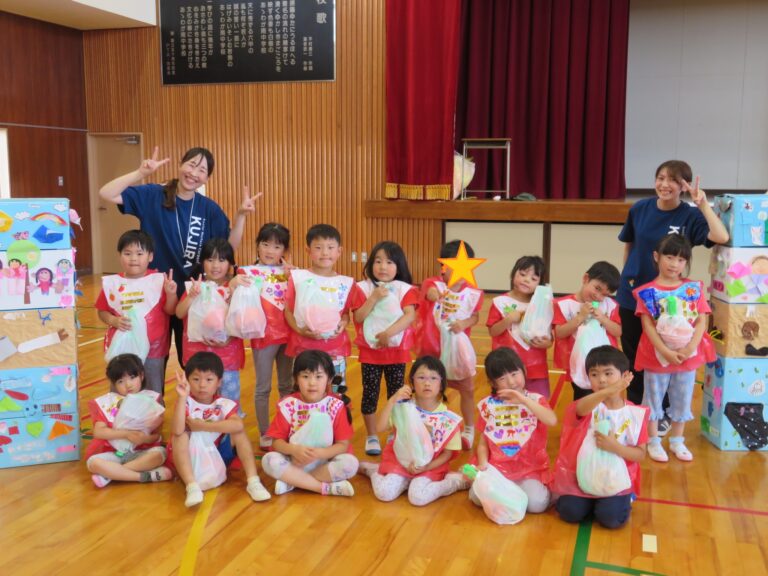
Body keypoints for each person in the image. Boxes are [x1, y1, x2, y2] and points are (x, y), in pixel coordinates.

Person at [98, 146, 260, 364]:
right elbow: (106, 193)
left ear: (207, 178)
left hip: (192, 295)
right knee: (149, 361)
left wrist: (240, 215)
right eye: (191, 165)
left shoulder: (209, 209)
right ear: (180, 165)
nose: (194, 173)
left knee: (191, 362)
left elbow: (228, 247)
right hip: (154, 294)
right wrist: (140, 174)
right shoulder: (153, 195)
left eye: (201, 170)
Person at [617, 160, 728, 418]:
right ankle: (638, 411)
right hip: (634, 296)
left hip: (670, 303)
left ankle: (662, 412)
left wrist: (702, 203)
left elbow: (720, 237)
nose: (665, 185)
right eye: (661, 178)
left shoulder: (690, 215)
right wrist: (627, 277)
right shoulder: (640, 208)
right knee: (634, 356)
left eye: (674, 181)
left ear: (683, 186)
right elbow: (629, 244)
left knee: (664, 357)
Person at [633, 234, 714, 462]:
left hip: (687, 355)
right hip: (656, 355)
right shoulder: (646, 291)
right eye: (669, 257)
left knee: (683, 397)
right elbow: (647, 326)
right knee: (653, 397)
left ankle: (677, 441)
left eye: (680, 259)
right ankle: (653, 441)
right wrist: (665, 351)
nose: (674, 264)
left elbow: (701, 320)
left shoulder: (693, 288)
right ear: (657, 257)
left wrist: (690, 348)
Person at [552, 346, 648, 529]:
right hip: (583, 475)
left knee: (611, 519)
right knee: (568, 512)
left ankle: (611, 501)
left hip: (615, 479)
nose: (601, 379)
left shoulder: (635, 414)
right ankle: (592, 500)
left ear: (624, 375)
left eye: (608, 373)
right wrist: (608, 391)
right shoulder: (587, 406)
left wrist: (615, 447)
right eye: (594, 374)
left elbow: (640, 454)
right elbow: (580, 409)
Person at [359, 356, 469, 506]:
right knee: (384, 493)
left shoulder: (448, 419)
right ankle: (374, 471)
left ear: (442, 384)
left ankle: (453, 483)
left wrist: (425, 467)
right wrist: (392, 401)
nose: (427, 383)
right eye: (421, 377)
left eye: (433, 378)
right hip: (400, 461)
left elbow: (448, 454)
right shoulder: (404, 408)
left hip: (431, 466)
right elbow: (380, 428)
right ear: (412, 382)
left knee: (418, 498)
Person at [170, 352, 271, 507]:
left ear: (219, 382)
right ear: (188, 381)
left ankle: (253, 481)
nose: (202, 385)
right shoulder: (187, 402)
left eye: (209, 379)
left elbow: (238, 425)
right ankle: (192, 486)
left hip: (216, 454)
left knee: (239, 432)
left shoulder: (223, 403)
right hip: (191, 458)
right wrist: (182, 398)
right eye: (196, 379)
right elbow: (177, 431)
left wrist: (203, 426)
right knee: (181, 436)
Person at [350, 241, 419, 455]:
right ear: (370, 264)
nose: (382, 266)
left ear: (399, 266)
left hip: (396, 353)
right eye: (378, 261)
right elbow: (359, 316)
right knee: (370, 394)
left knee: (397, 393)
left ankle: (394, 432)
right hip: (370, 354)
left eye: (389, 262)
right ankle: (371, 435)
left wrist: (389, 333)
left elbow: (410, 315)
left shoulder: (404, 289)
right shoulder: (363, 288)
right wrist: (373, 297)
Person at [469, 347, 556, 515]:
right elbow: (482, 443)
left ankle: (533, 493)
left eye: (514, 374)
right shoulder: (488, 405)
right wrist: (483, 464)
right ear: (493, 383)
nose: (511, 382)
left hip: (529, 470)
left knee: (536, 505)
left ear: (523, 371)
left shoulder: (536, 400)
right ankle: (511, 493)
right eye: (502, 378)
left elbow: (551, 420)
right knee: (476, 497)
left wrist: (523, 400)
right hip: (498, 469)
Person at [261, 350, 359, 497]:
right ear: (296, 378)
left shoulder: (335, 406)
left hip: (324, 462)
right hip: (294, 460)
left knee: (351, 464)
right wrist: (294, 450)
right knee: (268, 460)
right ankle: (324, 488)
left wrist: (320, 453)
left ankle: (293, 481)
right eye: (305, 376)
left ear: (329, 379)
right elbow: (277, 443)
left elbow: (342, 445)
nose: (312, 383)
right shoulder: (288, 405)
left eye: (319, 377)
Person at [417, 240, 484, 449]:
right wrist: (438, 295)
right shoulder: (433, 284)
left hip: (457, 353)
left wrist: (464, 323)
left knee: (467, 390)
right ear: (443, 266)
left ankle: (470, 429)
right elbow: (430, 294)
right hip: (432, 350)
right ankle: (428, 425)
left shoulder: (471, 292)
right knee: (429, 390)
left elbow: (475, 316)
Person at [96, 230, 178, 396]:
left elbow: (171, 310)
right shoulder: (113, 283)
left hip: (153, 350)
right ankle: (119, 420)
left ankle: (154, 421)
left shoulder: (159, 281)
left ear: (150, 256)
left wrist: (171, 294)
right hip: (121, 350)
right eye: (127, 253)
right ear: (120, 255)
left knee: (152, 391)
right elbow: (102, 311)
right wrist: (113, 320)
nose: (133, 258)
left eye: (139, 253)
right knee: (119, 393)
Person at [238, 222, 294, 450]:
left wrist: (294, 278)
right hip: (263, 337)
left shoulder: (292, 273)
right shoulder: (246, 273)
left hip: (288, 335)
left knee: (287, 385)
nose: (270, 250)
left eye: (277, 246)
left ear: (284, 251)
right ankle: (264, 432)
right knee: (262, 387)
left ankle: (287, 428)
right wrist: (234, 282)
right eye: (265, 244)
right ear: (257, 246)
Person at [284, 224, 359, 392]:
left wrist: (343, 324)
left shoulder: (345, 283)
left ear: (339, 251)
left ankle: (336, 417)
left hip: (335, 348)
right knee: (304, 391)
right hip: (304, 347)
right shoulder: (298, 278)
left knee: (336, 390)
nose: (325, 253)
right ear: (308, 250)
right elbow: (288, 310)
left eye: (330, 248)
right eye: (318, 247)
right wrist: (300, 330)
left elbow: (345, 313)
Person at [175, 238, 244, 411]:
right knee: (197, 402)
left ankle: (228, 437)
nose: (215, 265)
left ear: (230, 263)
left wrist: (229, 339)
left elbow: (244, 321)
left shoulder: (235, 287)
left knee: (229, 403)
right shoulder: (196, 286)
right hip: (198, 356)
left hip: (227, 358)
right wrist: (191, 296)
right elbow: (179, 313)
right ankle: (198, 434)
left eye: (221, 260)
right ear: (203, 262)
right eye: (210, 259)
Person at [85, 354, 172, 488]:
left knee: (160, 454)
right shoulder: (108, 402)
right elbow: (99, 432)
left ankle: (110, 475)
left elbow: (157, 436)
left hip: (142, 453)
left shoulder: (152, 400)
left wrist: (144, 439)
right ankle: (143, 476)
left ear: (141, 376)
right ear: (114, 384)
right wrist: (126, 434)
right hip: (115, 453)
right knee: (93, 463)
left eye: (132, 377)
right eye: (121, 381)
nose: (128, 384)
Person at [553, 261, 622, 400]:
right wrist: (580, 317)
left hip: (606, 364)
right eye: (597, 288)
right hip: (580, 364)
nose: (599, 296)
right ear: (585, 279)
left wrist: (603, 318)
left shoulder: (610, 305)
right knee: (583, 399)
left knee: (607, 401)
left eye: (605, 294)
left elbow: (617, 331)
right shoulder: (563, 304)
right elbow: (560, 333)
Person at [487, 256, 552, 398]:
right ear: (513, 274)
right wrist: (508, 320)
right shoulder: (500, 302)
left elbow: (549, 339)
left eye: (534, 279)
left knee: (539, 404)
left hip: (536, 369)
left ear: (540, 283)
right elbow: (493, 331)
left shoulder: (542, 305)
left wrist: (546, 343)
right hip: (506, 371)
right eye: (522, 274)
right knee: (507, 408)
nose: (526, 280)